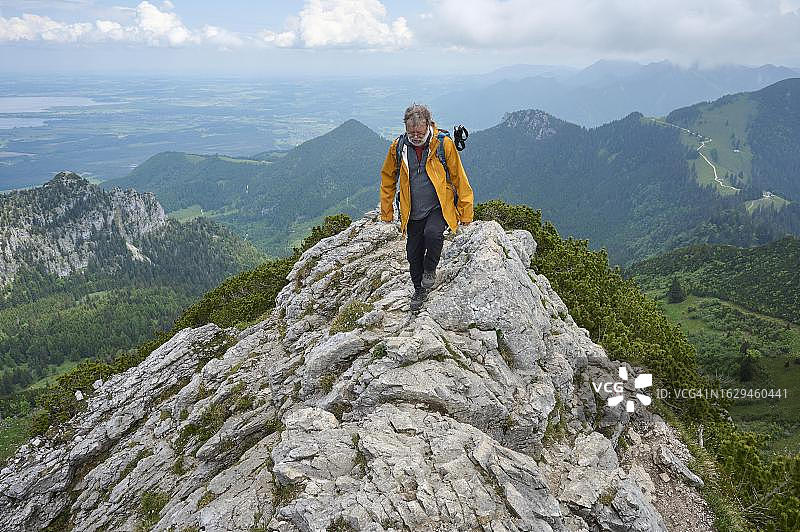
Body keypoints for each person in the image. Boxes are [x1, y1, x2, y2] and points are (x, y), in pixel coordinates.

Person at [379, 103, 474, 311]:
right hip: (412, 209)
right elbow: (388, 178)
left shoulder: (443, 144)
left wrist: (466, 212)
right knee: (413, 254)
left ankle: (430, 269)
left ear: (428, 125)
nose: (415, 135)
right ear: (405, 128)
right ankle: (418, 289)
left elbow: (459, 177)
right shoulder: (398, 147)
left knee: (433, 234)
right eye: (410, 131)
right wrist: (387, 212)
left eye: (419, 131)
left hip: (438, 205)